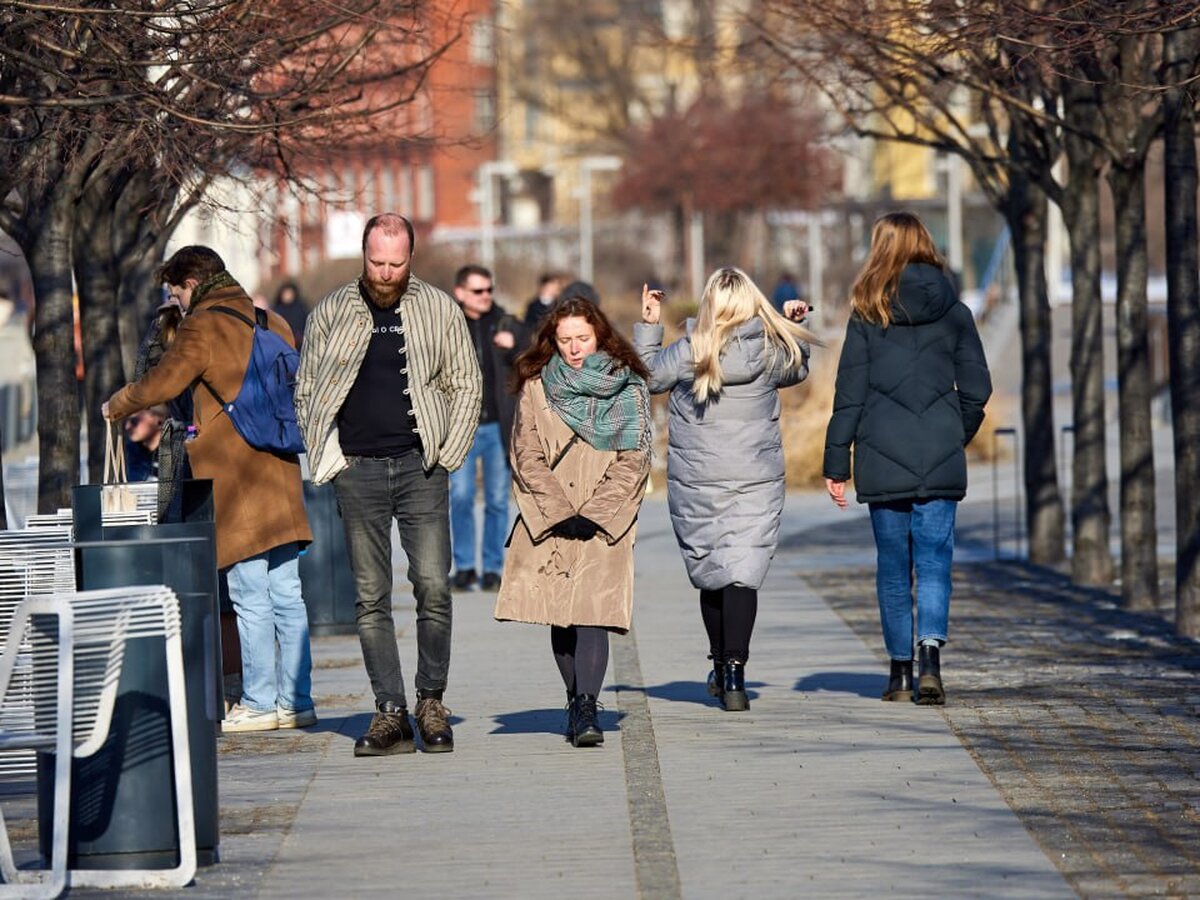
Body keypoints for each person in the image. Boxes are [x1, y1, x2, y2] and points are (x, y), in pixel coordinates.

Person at [103, 245, 316, 733]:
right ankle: (297, 699)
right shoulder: (272, 321)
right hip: (279, 467)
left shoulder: (203, 325)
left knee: (248, 593)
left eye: (176, 293)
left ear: (192, 284)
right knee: (287, 590)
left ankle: (259, 701)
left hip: (236, 473)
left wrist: (118, 403)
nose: (176, 302)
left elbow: (162, 381)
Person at [296, 213, 482, 757]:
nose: (385, 272)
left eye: (395, 263)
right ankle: (389, 711)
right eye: (376, 262)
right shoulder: (331, 311)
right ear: (363, 254)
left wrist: (447, 453)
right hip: (359, 469)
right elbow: (306, 387)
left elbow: (466, 382)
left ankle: (431, 701)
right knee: (371, 595)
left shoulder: (439, 308)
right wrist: (328, 459)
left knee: (433, 585)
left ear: (411, 259)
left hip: (421, 465)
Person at [823, 212, 992, 706]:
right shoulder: (955, 311)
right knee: (936, 563)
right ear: (926, 244)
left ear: (879, 249)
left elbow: (848, 395)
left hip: (880, 456)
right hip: (939, 456)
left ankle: (899, 674)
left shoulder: (867, 314)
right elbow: (977, 389)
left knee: (894, 568)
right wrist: (950, 435)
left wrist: (837, 465)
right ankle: (931, 660)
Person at [635, 267, 812, 711]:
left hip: (698, 483)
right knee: (742, 576)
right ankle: (734, 672)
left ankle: (720, 664)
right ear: (752, 305)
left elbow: (646, 378)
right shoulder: (769, 353)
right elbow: (799, 367)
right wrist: (796, 322)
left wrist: (651, 325)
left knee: (712, 576)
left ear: (710, 305)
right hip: (755, 482)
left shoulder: (688, 352)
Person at [494, 298, 651, 748]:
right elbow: (526, 454)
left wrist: (597, 514)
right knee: (560, 615)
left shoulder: (627, 385)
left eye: (582, 338)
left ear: (599, 334)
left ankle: (587, 706)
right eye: (564, 341)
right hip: (551, 515)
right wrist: (560, 512)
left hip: (606, 519)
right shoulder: (537, 386)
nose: (574, 349)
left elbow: (635, 456)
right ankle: (573, 696)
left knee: (593, 614)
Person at [450, 265, 523, 591]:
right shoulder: (447, 324)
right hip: (461, 427)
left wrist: (514, 344)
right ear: (460, 292)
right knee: (461, 497)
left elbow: (533, 355)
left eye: (489, 290)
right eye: (478, 291)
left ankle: (493, 568)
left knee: (496, 499)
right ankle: (464, 567)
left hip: (497, 426)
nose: (486, 296)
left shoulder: (504, 322)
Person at [124, 404, 166, 481]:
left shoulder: (179, 454)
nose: (127, 426)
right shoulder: (131, 453)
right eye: (126, 421)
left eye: (134, 421)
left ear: (158, 420)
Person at [272, 281, 308, 349]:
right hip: (282, 344)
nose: (287, 296)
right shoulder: (277, 310)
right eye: (286, 294)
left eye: (289, 293)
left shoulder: (301, 308)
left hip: (300, 344)